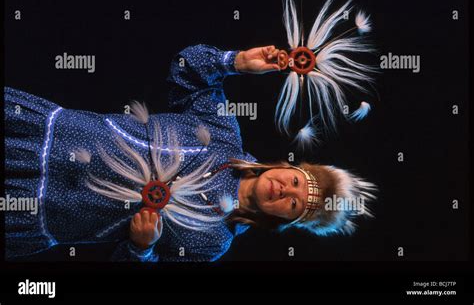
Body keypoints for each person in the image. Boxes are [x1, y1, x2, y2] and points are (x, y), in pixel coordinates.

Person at [4, 44, 376, 262]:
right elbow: (186, 70)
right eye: (296, 182)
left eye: (295, 204)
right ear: (288, 166)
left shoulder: (213, 241)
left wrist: (141, 247)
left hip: (41, 210)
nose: (286, 191)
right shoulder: (221, 133)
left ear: (287, 221)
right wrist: (236, 62)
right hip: (40, 135)